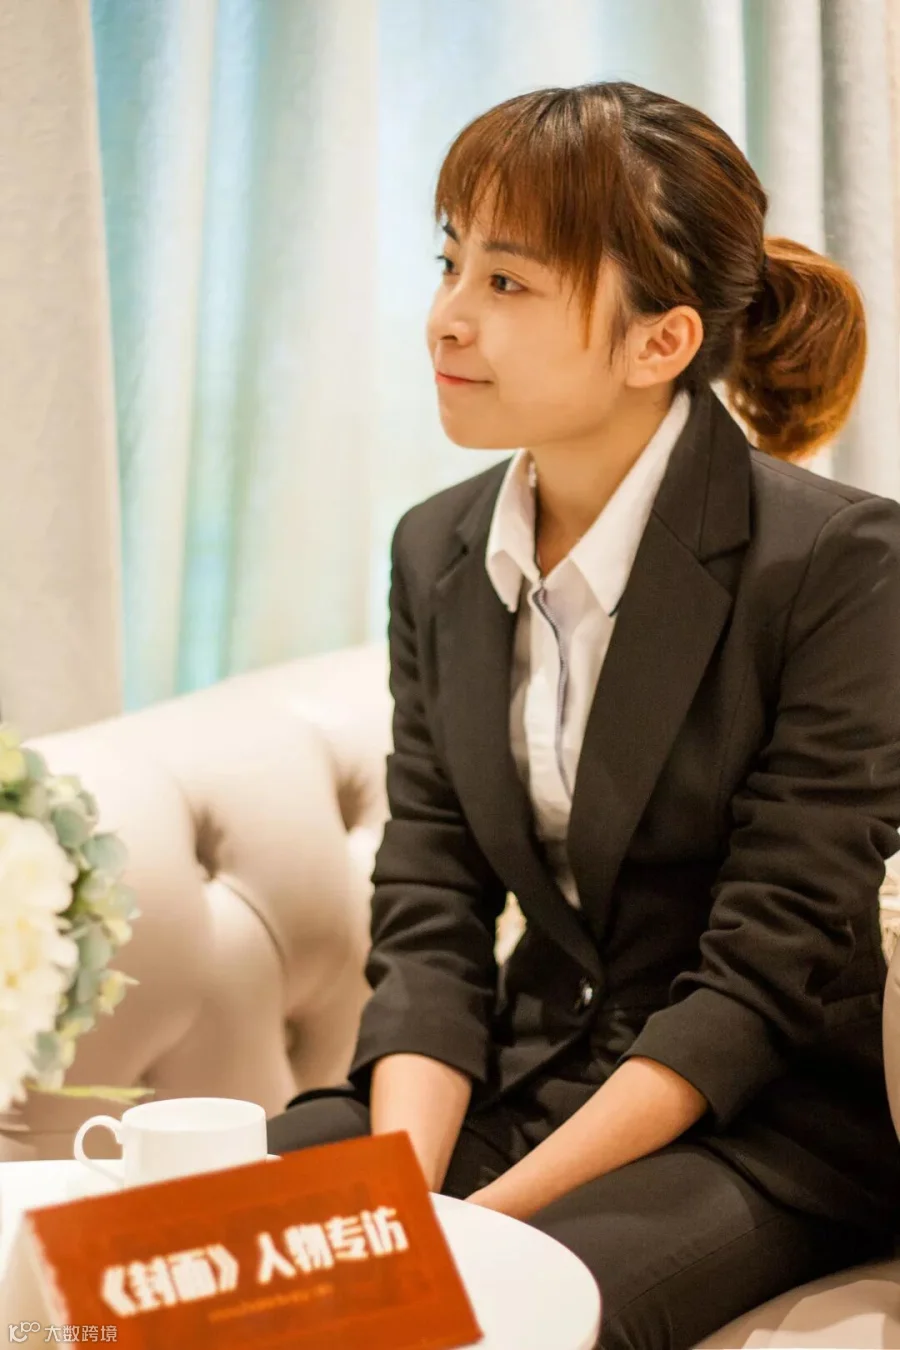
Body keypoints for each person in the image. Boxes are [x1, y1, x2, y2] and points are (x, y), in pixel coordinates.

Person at [267, 81, 900, 1350]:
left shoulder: (841, 564)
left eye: (507, 282)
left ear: (660, 344)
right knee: (186, 1252)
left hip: (752, 1121)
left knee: (493, 1311)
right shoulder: (436, 551)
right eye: (451, 262)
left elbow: (763, 974)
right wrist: (402, 1195)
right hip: (518, 1075)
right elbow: (432, 903)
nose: (448, 315)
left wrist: (471, 1231)